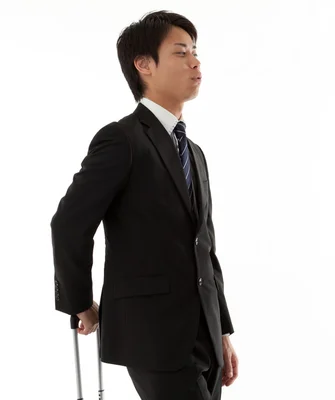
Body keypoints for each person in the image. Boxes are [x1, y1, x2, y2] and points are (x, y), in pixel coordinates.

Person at [51, 10, 238, 400]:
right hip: (153, 336)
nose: (196, 61)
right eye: (181, 52)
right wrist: (80, 301)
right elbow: (69, 223)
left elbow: (205, 247)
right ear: (144, 65)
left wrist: (221, 329)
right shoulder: (122, 140)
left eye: (196, 52)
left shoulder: (196, 152)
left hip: (203, 334)